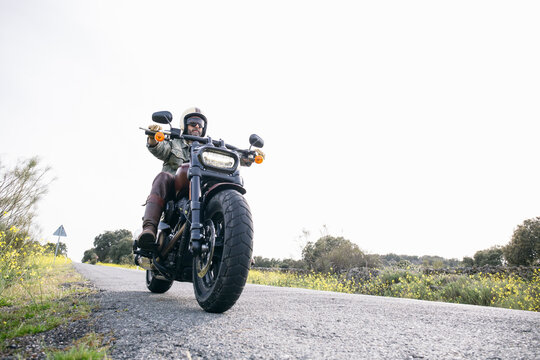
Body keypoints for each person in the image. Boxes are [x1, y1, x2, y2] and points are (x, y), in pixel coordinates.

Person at [137, 107, 208, 250]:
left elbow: (232, 157)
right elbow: (160, 149)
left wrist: (246, 157)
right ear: (184, 124)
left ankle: (234, 242)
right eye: (193, 123)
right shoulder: (175, 141)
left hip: (200, 190)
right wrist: (153, 138)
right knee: (163, 177)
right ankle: (149, 229)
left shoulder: (208, 148)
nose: (197, 126)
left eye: (200, 124)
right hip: (174, 190)